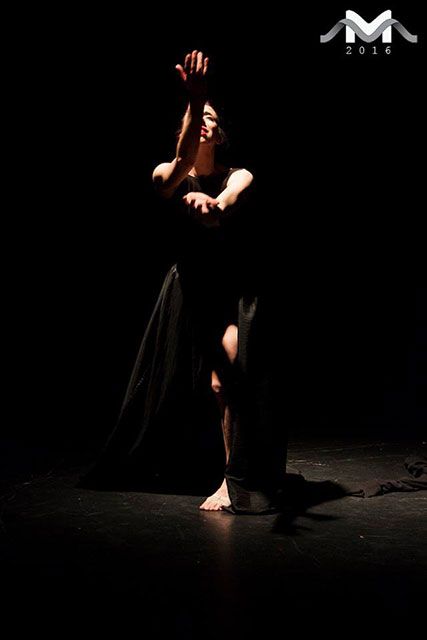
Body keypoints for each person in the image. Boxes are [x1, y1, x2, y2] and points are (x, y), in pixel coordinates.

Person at [77, 50, 287, 514]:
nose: (205, 121)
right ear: (185, 129)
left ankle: (233, 480)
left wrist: (213, 210)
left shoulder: (240, 174)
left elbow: (226, 203)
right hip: (186, 294)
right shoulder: (165, 173)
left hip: (228, 290)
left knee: (226, 376)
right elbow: (179, 164)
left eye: (212, 116)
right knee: (176, 393)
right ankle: (185, 462)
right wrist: (195, 99)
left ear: (221, 133)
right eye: (197, 117)